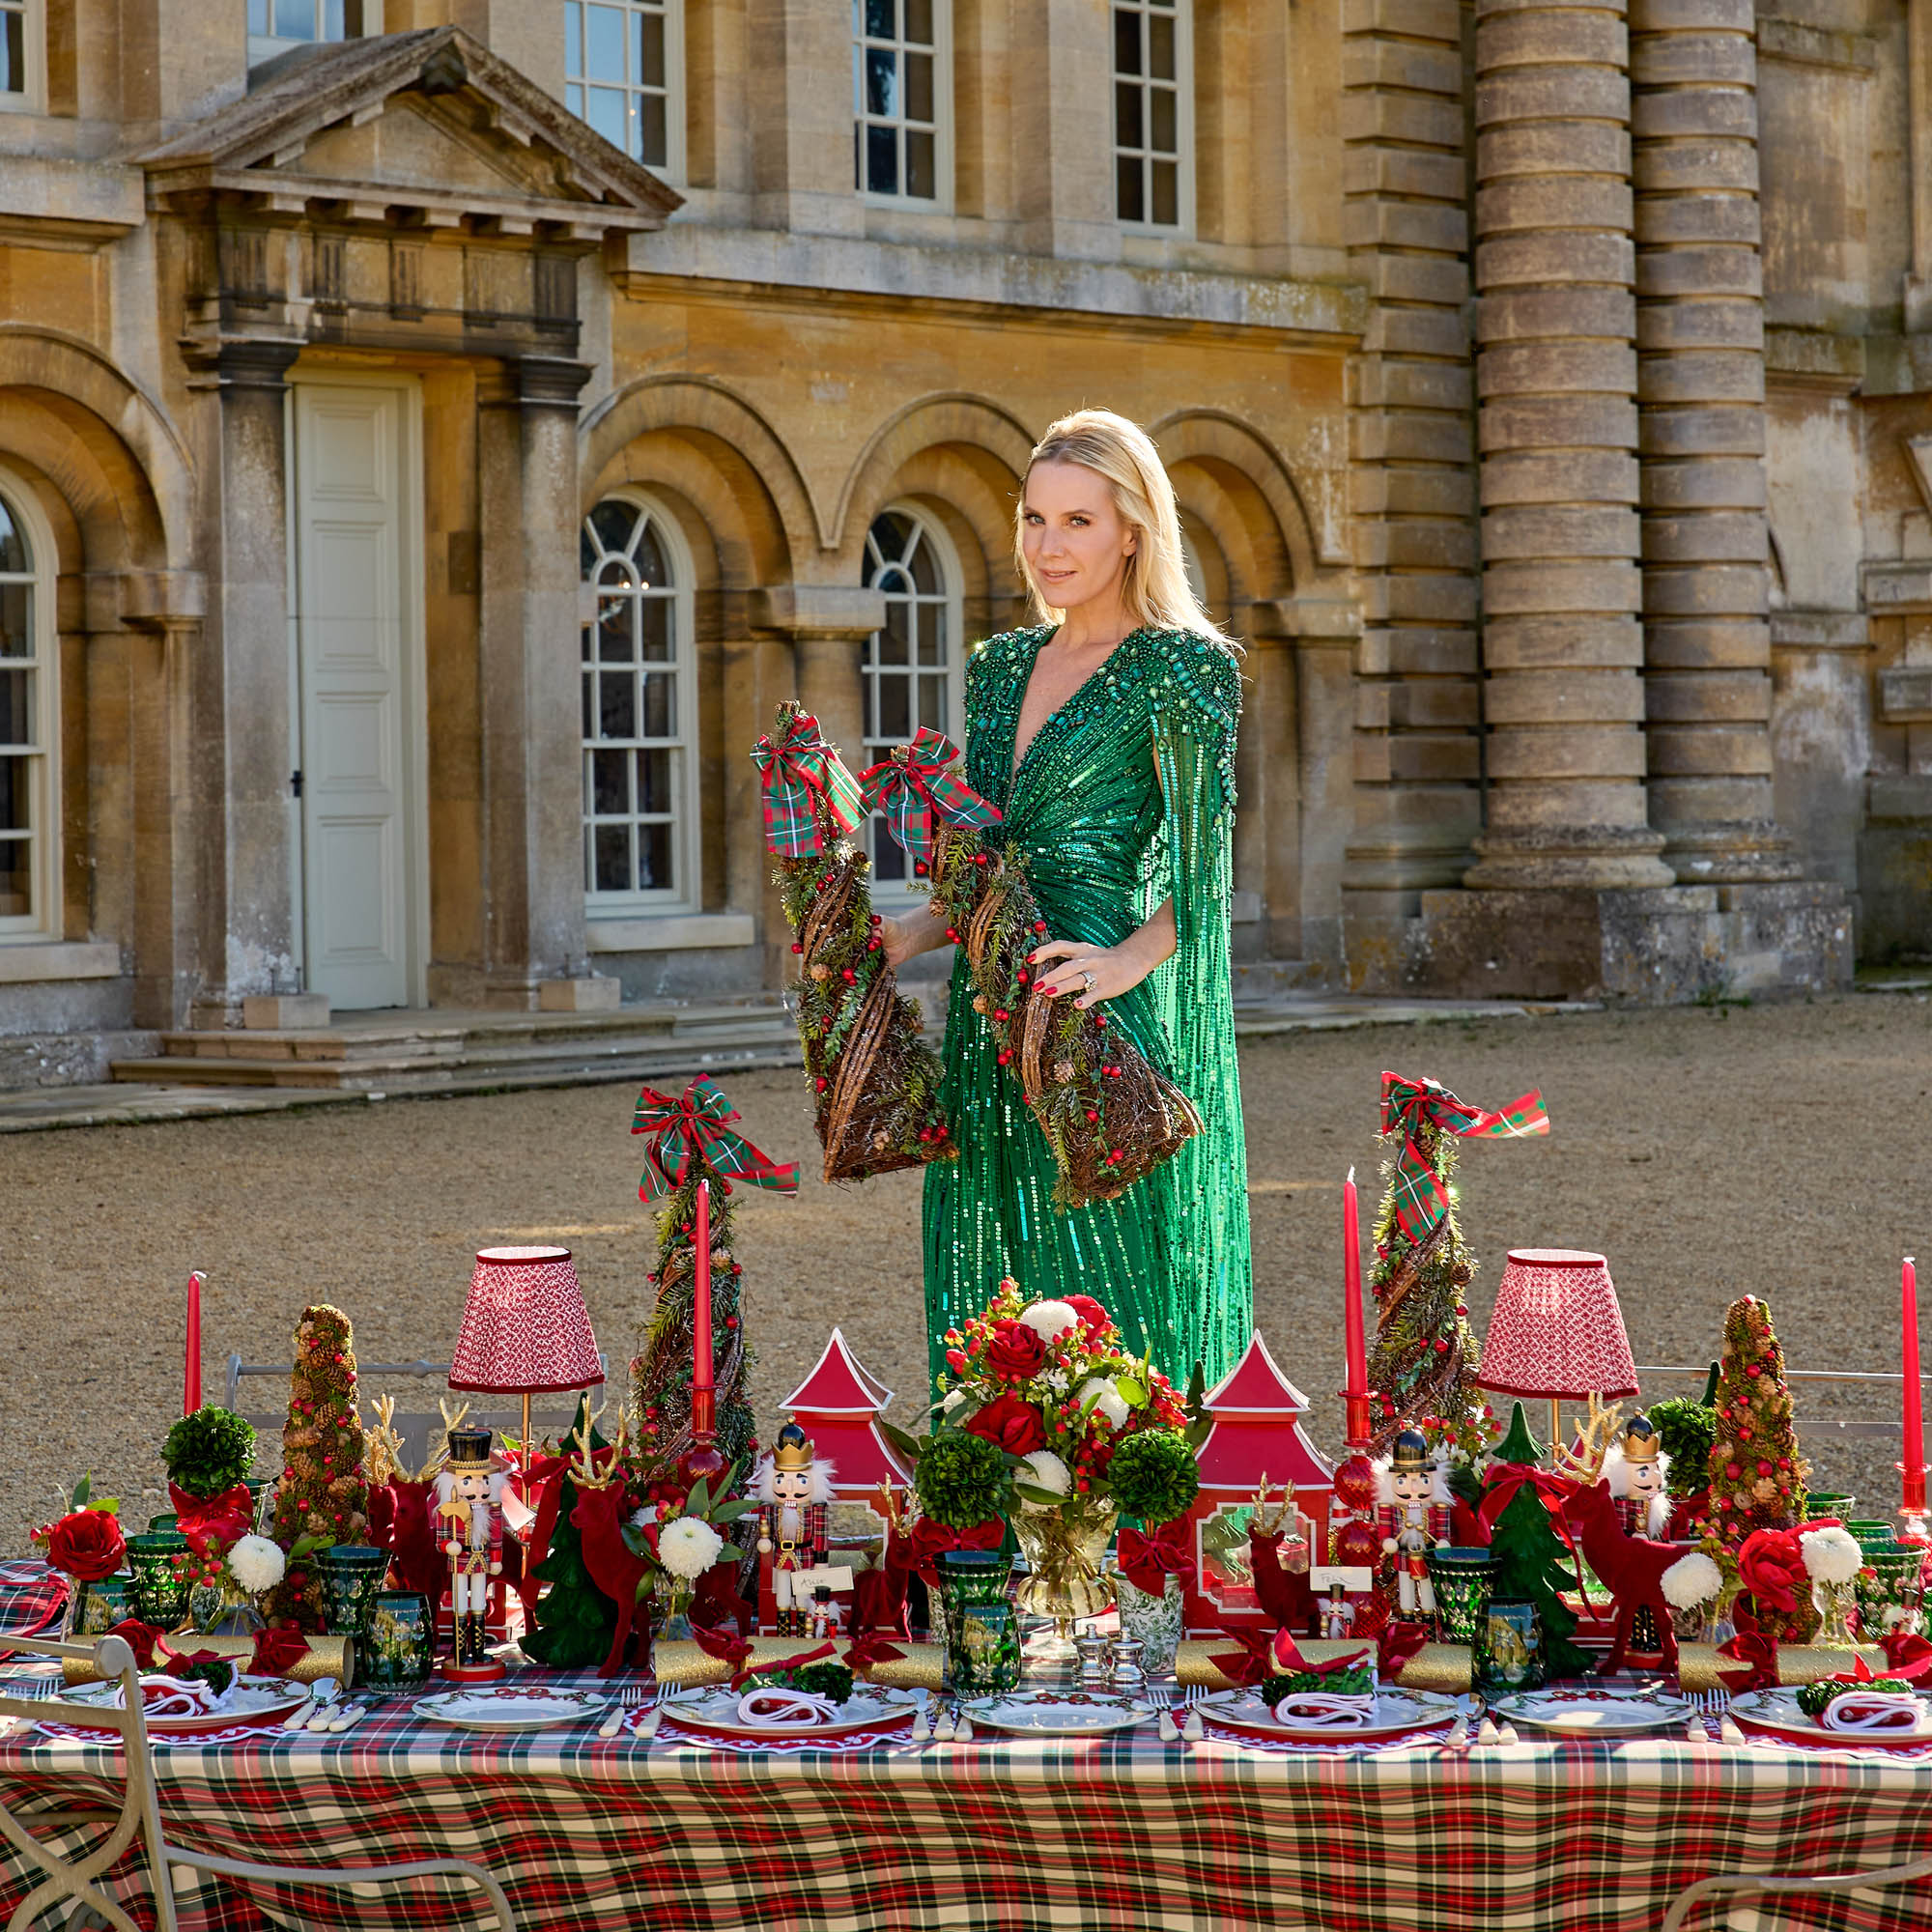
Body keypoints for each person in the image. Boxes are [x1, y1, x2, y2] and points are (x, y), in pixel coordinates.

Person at [882, 408, 1253, 1390]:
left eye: (1077, 521)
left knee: (1112, 1273)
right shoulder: (998, 665)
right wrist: (905, 935)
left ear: (1132, 528)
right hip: (988, 1010)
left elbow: (1203, 874)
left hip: (1099, 1012)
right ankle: (999, 1521)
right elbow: (985, 855)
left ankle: (1125, 1517)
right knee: (993, 1259)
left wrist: (1127, 960)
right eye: (1034, 519)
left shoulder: (1183, 667)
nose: (1048, 546)